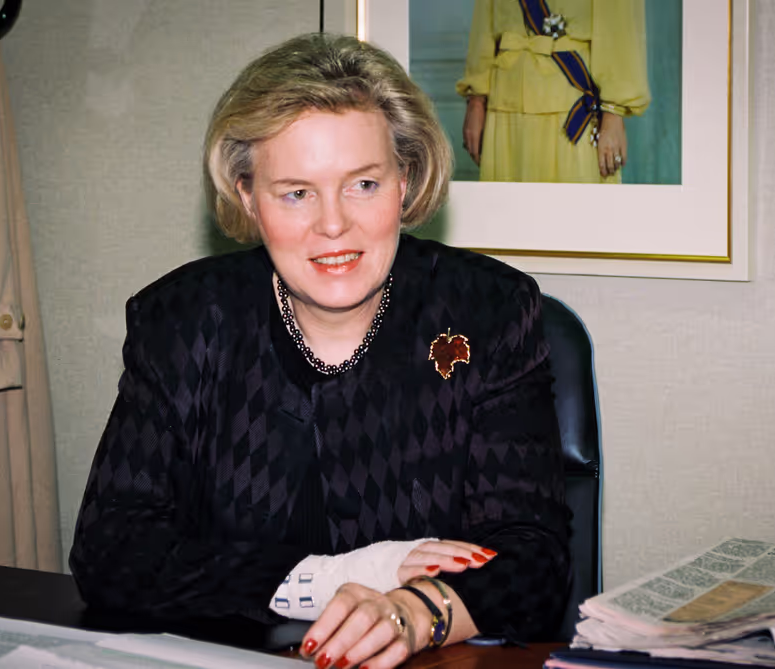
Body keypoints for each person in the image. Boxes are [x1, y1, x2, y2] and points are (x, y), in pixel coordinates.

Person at [69, 33, 570, 669]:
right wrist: (337, 576)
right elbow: (111, 549)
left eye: (362, 183)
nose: (333, 224)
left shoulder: (489, 310)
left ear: (405, 180)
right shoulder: (182, 321)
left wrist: (418, 611)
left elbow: (535, 558)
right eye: (296, 192)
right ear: (248, 197)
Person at [458, 0, 651, 183]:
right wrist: (476, 98)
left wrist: (613, 112)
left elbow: (618, 18)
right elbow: (485, 12)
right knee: (504, 213)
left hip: (571, 109)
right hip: (504, 105)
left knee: (574, 213)